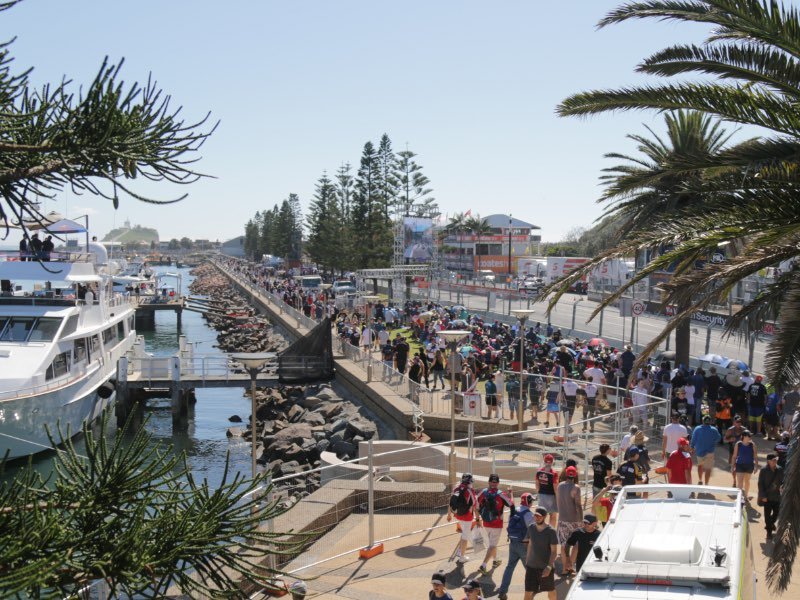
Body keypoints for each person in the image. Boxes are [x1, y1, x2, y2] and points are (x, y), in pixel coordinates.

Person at [497, 492, 535, 600]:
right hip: (524, 545)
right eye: (531, 500)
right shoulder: (528, 514)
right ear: (528, 502)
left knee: (509, 568)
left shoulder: (514, 511)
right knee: (529, 570)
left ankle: (502, 591)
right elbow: (532, 530)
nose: (532, 502)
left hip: (513, 543)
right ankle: (531, 591)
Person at [476, 474, 514, 575]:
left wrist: (477, 518)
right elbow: (511, 504)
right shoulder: (501, 494)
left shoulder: (483, 492)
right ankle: (483, 565)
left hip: (486, 522)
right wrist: (511, 493)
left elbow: (475, 504)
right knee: (492, 545)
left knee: (491, 544)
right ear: (498, 483)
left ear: (488, 482)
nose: (494, 483)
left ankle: (496, 560)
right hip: (497, 524)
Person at [522, 507, 558, 600]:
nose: (537, 518)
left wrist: (549, 567)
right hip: (531, 567)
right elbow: (530, 544)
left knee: (551, 592)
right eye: (535, 516)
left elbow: (554, 551)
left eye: (539, 516)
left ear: (545, 517)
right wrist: (527, 561)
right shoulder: (531, 528)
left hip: (545, 568)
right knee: (528, 593)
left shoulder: (551, 531)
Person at [447, 473, 481, 564]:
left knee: (464, 534)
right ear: (470, 482)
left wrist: (449, 514)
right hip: (467, 517)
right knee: (465, 536)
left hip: (458, 515)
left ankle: (460, 551)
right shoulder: (470, 491)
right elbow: (475, 507)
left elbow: (451, 502)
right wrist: (477, 520)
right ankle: (462, 557)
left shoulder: (456, 488)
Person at [556, 466, 584, 576]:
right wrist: (581, 521)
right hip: (574, 520)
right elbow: (578, 505)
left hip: (562, 519)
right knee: (576, 544)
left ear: (566, 474)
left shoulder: (559, 486)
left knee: (563, 546)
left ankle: (564, 569)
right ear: (575, 475)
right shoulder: (576, 488)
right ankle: (571, 566)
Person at [758, 453, 784, 541]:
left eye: (776, 459)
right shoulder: (764, 470)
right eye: (774, 460)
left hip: (777, 496)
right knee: (767, 515)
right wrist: (763, 496)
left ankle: (771, 524)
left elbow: (782, 481)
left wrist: (783, 487)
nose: (775, 461)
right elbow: (760, 484)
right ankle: (769, 532)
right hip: (767, 497)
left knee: (777, 513)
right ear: (768, 461)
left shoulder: (780, 469)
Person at [691, 415, 722, 484]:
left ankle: (700, 480)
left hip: (699, 451)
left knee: (700, 466)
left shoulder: (697, 428)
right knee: (708, 468)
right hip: (710, 452)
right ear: (710, 422)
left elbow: (693, 439)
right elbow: (718, 439)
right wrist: (712, 441)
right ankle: (706, 483)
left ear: (703, 421)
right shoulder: (714, 429)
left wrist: (692, 447)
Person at [731, 430, 758, 499]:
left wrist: (756, 466)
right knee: (740, 482)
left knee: (747, 481)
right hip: (739, 465)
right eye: (749, 436)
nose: (750, 437)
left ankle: (746, 496)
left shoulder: (752, 445)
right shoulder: (738, 444)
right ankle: (740, 498)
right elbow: (734, 456)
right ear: (744, 437)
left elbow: (755, 456)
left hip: (749, 465)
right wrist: (732, 466)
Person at [535, 454, 559, 527]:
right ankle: (551, 531)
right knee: (553, 515)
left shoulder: (539, 472)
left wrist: (539, 493)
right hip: (551, 496)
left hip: (541, 495)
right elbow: (555, 488)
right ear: (552, 462)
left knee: (541, 515)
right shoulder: (554, 473)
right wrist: (558, 498)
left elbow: (537, 484)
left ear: (544, 461)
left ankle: (541, 530)